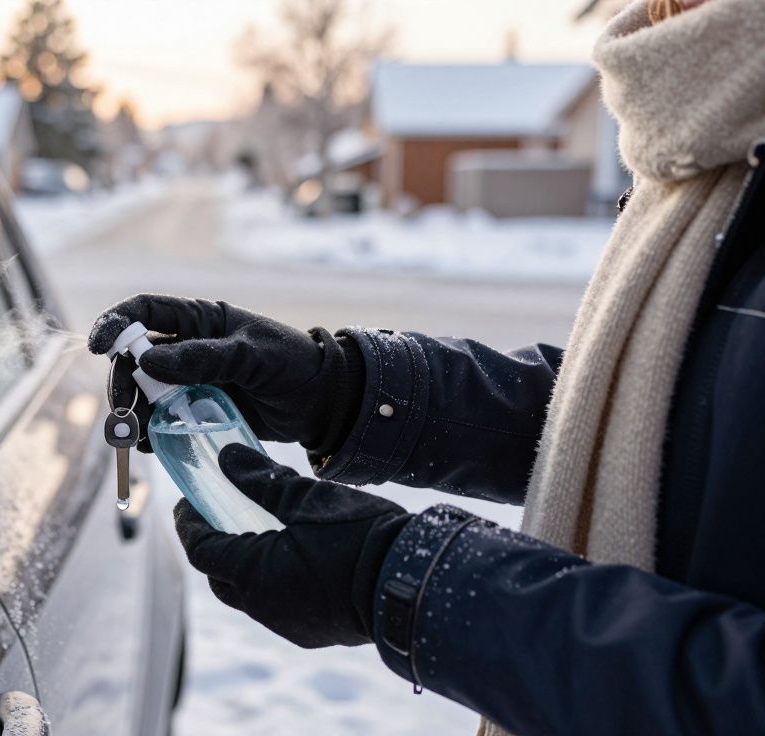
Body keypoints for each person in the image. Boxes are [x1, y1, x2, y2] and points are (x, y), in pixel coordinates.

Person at [89, 0, 765, 733]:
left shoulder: (720, 126)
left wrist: (402, 573)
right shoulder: (715, 133)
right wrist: (341, 388)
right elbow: (662, 420)